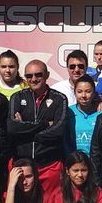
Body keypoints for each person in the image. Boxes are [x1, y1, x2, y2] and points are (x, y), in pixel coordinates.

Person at [7, 60, 68, 195]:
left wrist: (25, 130)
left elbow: (58, 131)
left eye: (38, 75)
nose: (33, 79)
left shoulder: (60, 99)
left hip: (49, 164)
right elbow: (12, 128)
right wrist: (45, 124)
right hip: (22, 166)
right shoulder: (17, 97)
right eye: (29, 76)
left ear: (47, 75)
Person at [67, 76, 102, 155]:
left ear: (94, 93)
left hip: (96, 161)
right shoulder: (68, 112)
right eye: (79, 91)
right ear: (75, 93)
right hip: (74, 162)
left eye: (88, 91)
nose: (83, 95)